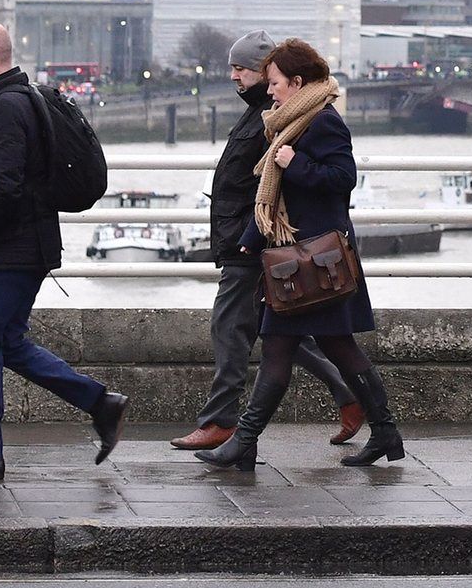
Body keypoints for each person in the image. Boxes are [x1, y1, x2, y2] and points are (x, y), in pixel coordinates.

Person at [0, 22, 129, 479]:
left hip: (8, 251)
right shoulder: (19, 100)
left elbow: (5, 183)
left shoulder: (6, 107)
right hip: (26, 246)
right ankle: (100, 402)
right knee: (7, 343)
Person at [197, 38, 404, 471]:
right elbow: (270, 198)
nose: (269, 92)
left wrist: (297, 165)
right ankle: (384, 432)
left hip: (318, 262)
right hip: (294, 262)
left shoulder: (323, 122)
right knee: (323, 349)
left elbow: (343, 179)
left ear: (296, 81)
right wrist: (251, 238)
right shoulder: (286, 124)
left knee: (292, 349)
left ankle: (245, 441)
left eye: (274, 83)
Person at [171, 30, 362, 452]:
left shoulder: (278, 117)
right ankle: (351, 396)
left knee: (230, 326)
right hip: (241, 237)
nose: (234, 76)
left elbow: (280, 186)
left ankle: (222, 421)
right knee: (275, 330)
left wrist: (250, 237)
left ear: (268, 73)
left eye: (241, 69)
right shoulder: (265, 113)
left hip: (251, 240)